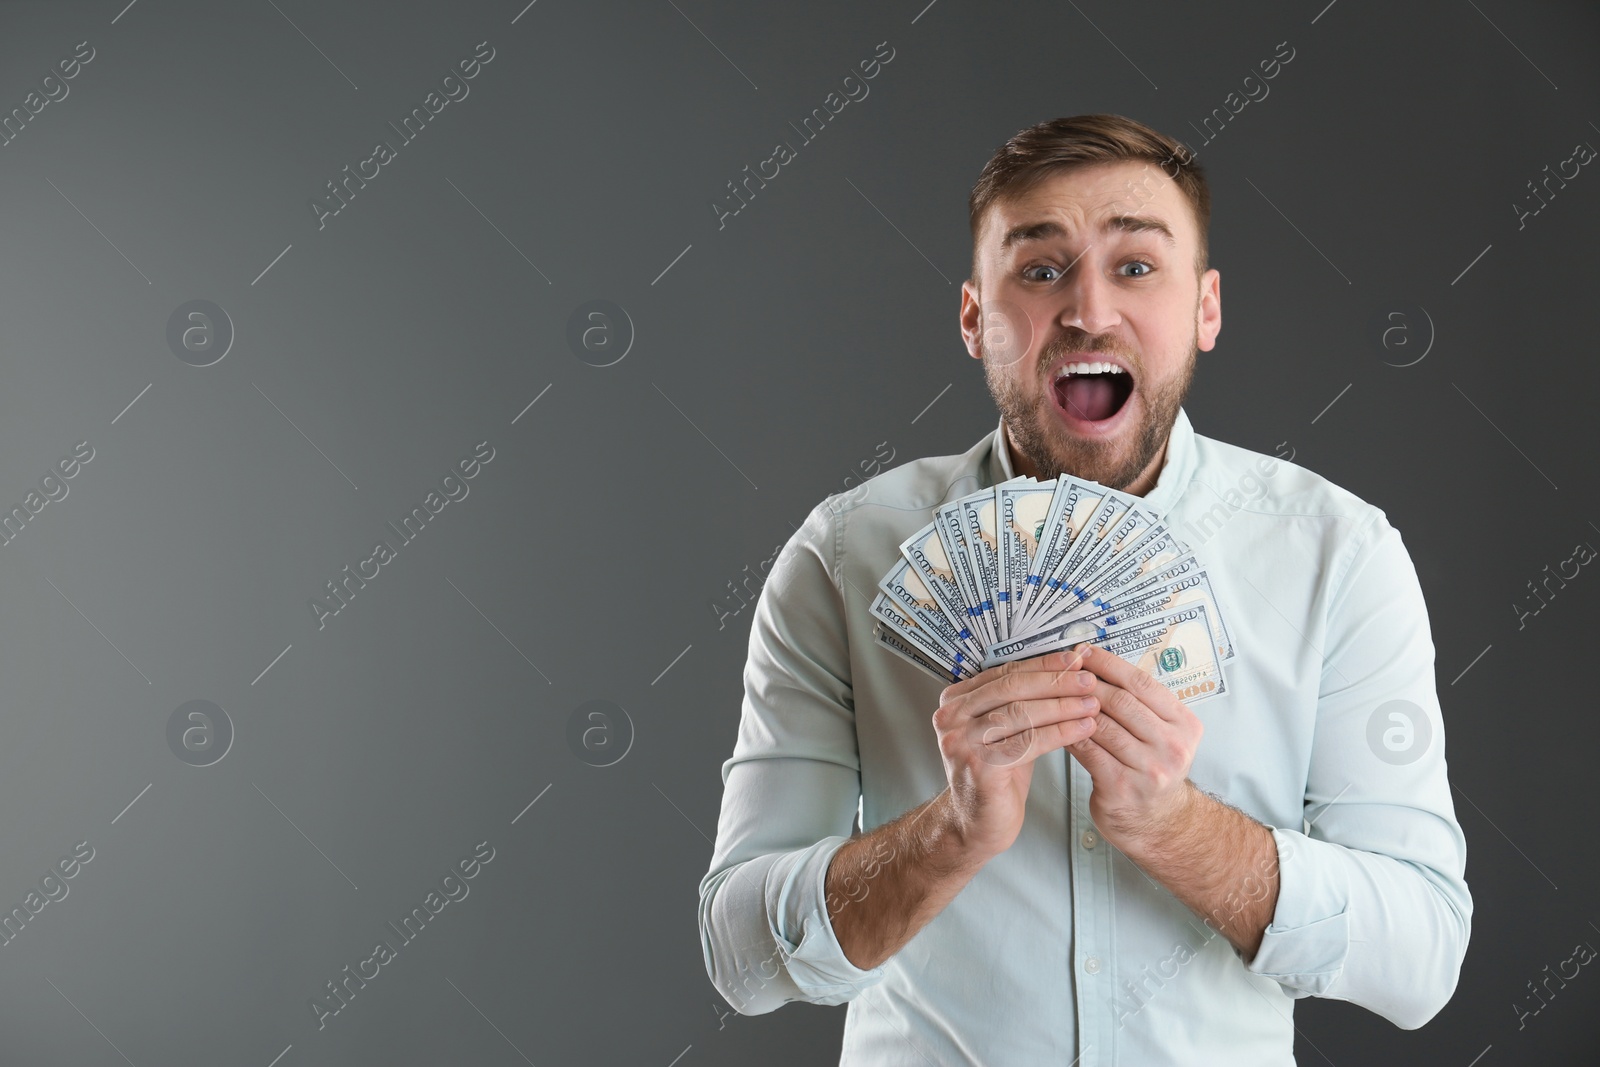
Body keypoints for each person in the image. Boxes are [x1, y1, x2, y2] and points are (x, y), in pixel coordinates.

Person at [697, 113, 1471, 1065]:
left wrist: (1177, 826)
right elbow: (738, 954)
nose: (1089, 311)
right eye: (1040, 268)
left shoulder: (1336, 554)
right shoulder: (847, 555)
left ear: (1206, 309)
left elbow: (1422, 955)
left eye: (1137, 267)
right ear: (976, 316)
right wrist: (950, 833)